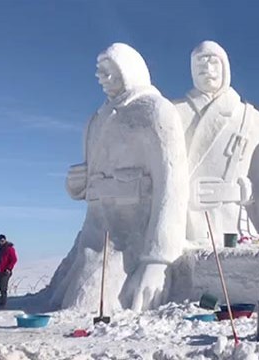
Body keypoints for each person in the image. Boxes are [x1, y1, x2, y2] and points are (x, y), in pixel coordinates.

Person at [51, 43, 189, 311]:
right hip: (93, 236)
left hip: (129, 241)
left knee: (85, 303)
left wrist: (157, 259)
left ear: (129, 70)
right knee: (63, 300)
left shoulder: (155, 111)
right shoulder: (96, 120)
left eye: (109, 71)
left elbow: (172, 184)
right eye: (99, 72)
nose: (102, 78)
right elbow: (90, 176)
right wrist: (76, 186)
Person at [173, 40, 259, 242]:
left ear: (225, 67)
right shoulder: (173, 112)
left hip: (236, 221)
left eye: (213, 62)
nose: (206, 68)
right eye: (199, 63)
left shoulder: (255, 118)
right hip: (189, 222)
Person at [0, 234, 17, 310]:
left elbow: (14, 259)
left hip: (6, 272)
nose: (1, 242)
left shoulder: (9, 248)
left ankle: (2, 305)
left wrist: (9, 268)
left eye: (2, 240)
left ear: (5, 240)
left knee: (3, 289)